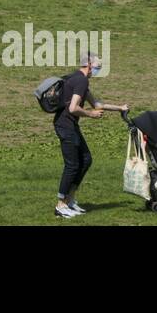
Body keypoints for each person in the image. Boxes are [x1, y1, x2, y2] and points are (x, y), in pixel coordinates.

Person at [53, 52, 129, 218]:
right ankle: (60, 205)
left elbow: (97, 104)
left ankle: (70, 199)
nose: (98, 69)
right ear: (88, 64)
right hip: (65, 125)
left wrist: (120, 108)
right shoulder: (81, 80)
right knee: (72, 165)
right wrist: (91, 115)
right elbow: (73, 108)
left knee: (86, 159)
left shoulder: (78, 79)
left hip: (69, 125)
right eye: (97, 66)